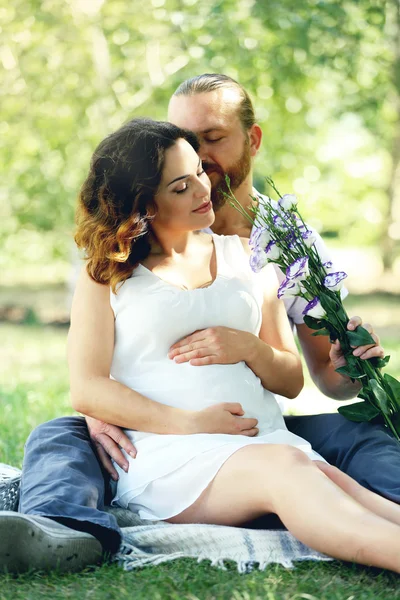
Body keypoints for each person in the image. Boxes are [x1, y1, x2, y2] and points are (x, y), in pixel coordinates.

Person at [0, 76, 396, 574]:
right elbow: (89, 385)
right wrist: (172, 420)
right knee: (61, 433)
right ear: (144, 201)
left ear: (251, 140)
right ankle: (61, 530)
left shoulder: (268, 248)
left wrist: (259, 350)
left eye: (209, 146)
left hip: (265, 434)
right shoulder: (109, 271)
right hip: (174, 451)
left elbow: (304, 377)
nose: (203, 178)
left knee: (339, 476)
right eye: (182, 180)